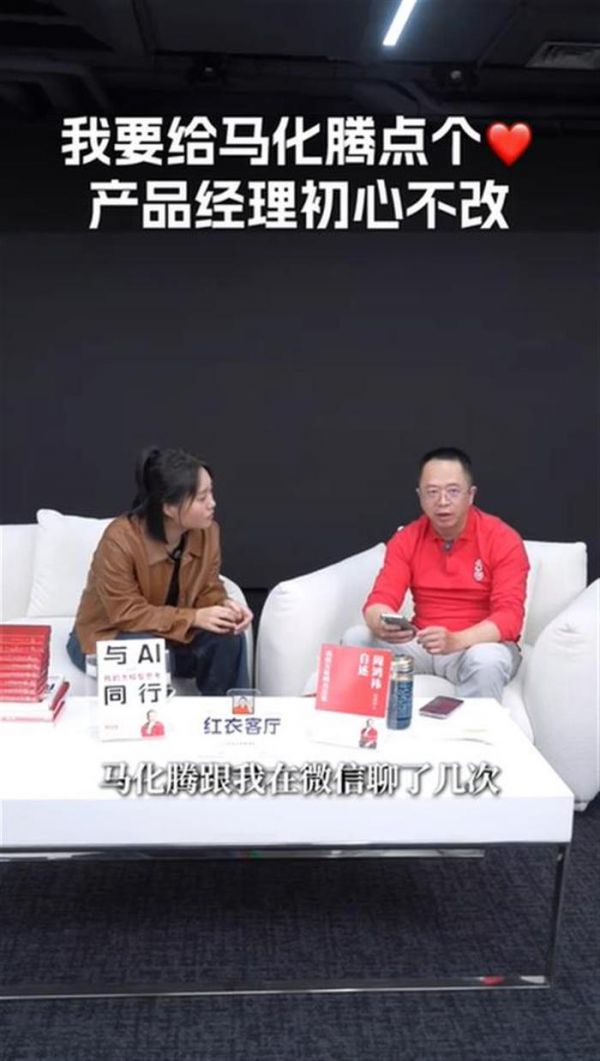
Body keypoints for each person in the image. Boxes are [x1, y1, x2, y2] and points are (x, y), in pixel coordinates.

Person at [343, 447, 529, 702]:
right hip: (423, 643)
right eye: (432, 492)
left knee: (487, 659)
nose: (442, 501)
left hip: (477, 645)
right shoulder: (406, 539)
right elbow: (379, 600)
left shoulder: (503, 539)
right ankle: (360, 722)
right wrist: (379, 622)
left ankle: (470, 727)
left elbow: (510, 618)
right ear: (420, 496)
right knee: (356, 638)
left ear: (470, 495)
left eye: (453, 491)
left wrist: (456, 640)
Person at [67, 446, 252, 695]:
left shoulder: (208, 532)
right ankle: (154, 720)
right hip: (110, 636)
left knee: (227, 637)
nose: (213, 503)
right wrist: (194, 618)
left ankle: (227, 715)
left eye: (211, 492)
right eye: (202, 498)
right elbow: (125, 613)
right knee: (145, 649)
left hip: (172, 637)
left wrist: (224, 606)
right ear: (169, 508)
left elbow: (208, 587)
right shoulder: (119, 541)